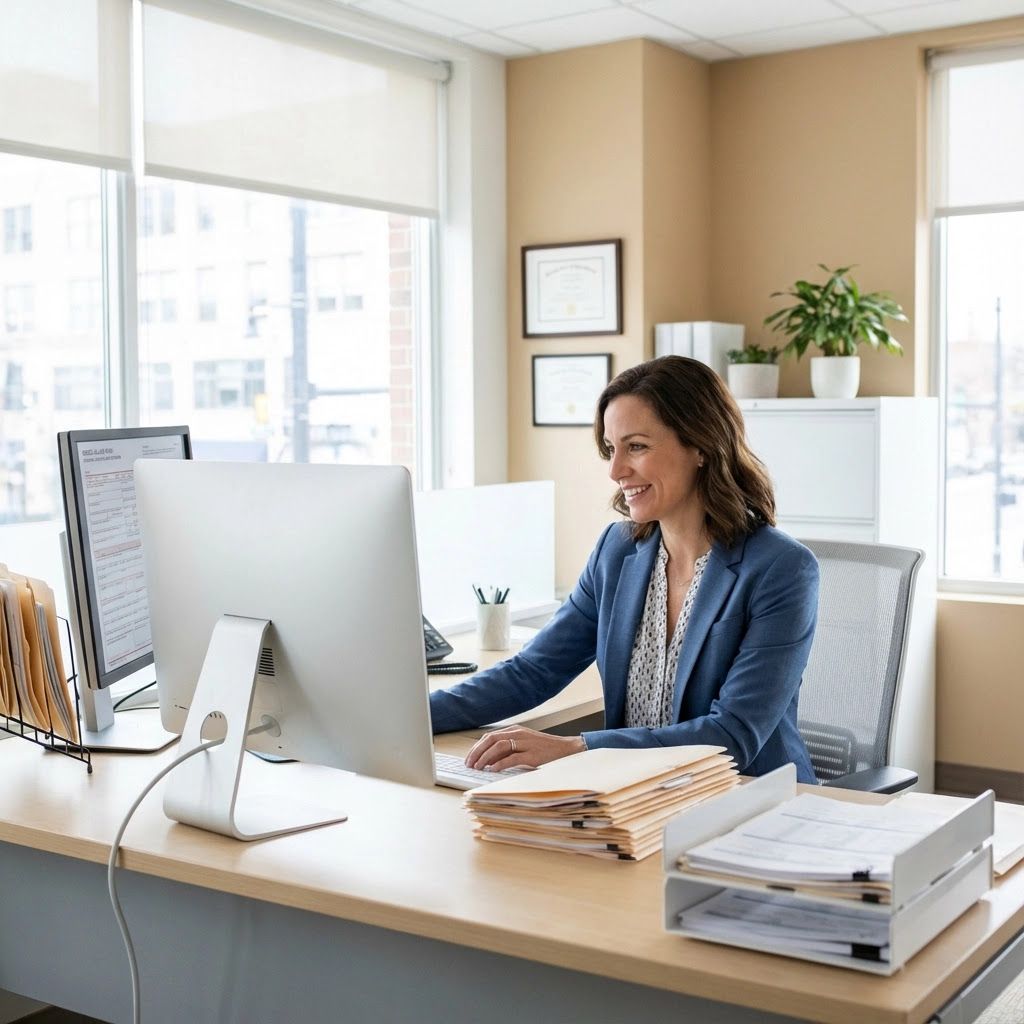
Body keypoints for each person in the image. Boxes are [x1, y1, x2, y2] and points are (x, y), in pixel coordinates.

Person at [430, 355, 820, 783]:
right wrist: (411, 716)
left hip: (746, 799)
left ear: (701, 446)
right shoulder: (616, 552)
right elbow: (533, 672)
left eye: (636, 447)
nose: (616, 471)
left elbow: (733, 734)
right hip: (634, 796)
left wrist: (577, 749)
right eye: (611, 450)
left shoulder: (782, 569)